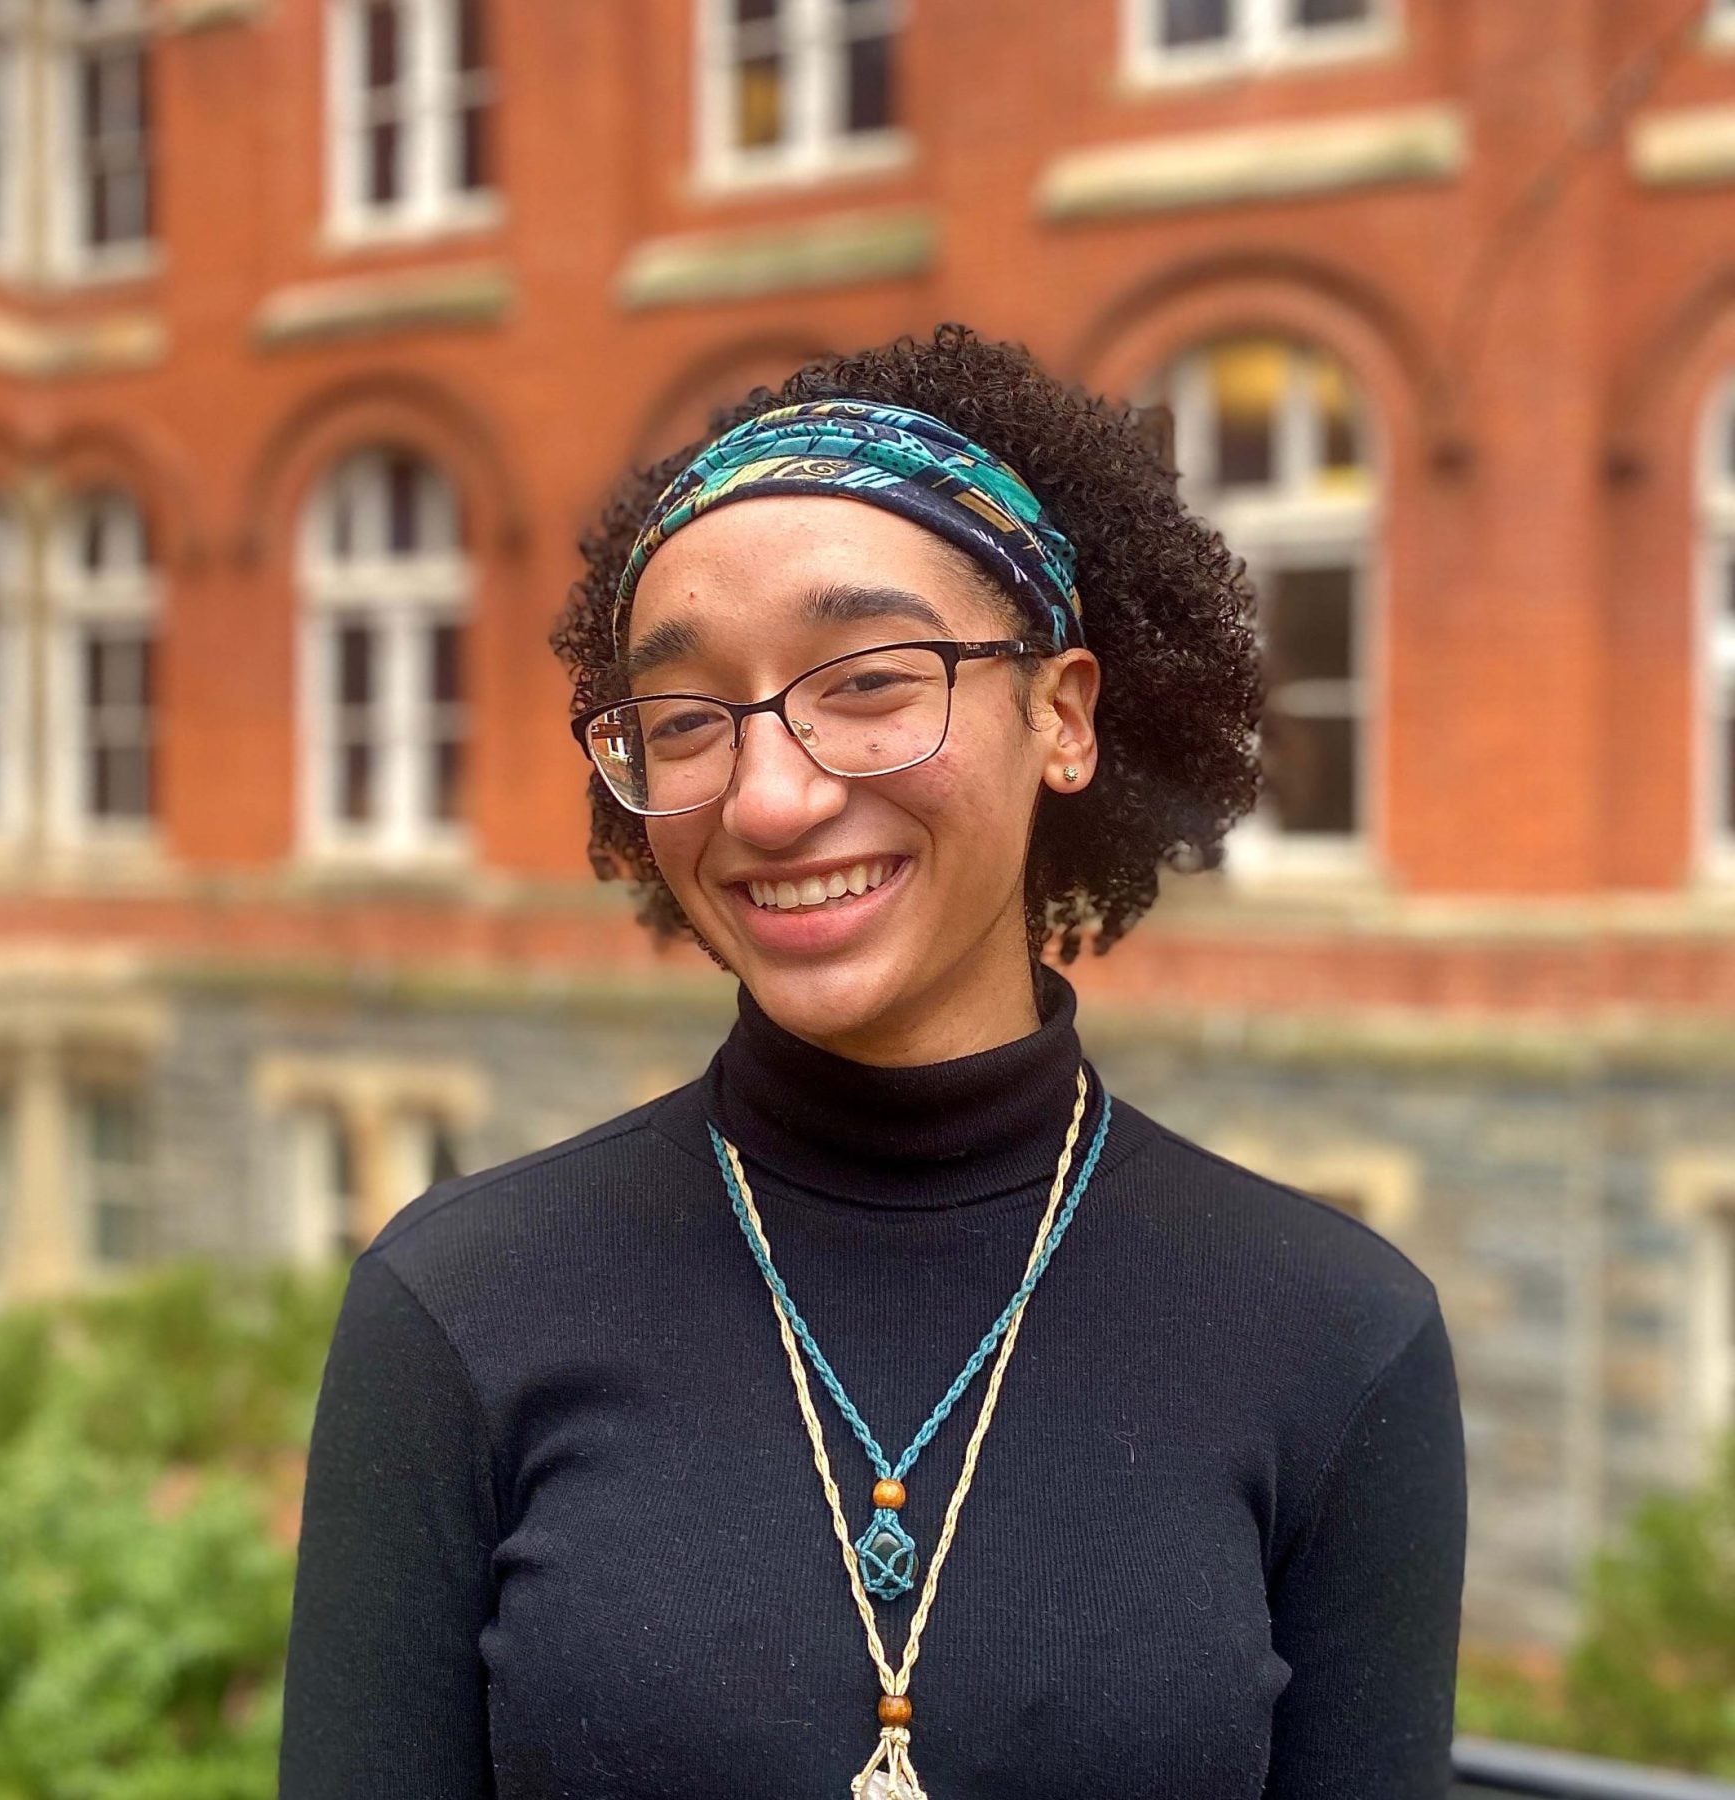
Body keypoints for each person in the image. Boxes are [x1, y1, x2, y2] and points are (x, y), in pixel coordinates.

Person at [279, 323, 1467, 1799]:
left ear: (1063, 716)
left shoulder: (1339, 1338)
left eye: (869, 682)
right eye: (686, 713)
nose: (768, 799)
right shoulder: (456, 1309)